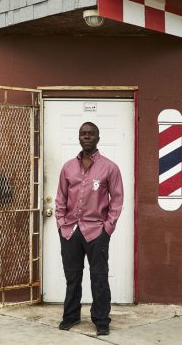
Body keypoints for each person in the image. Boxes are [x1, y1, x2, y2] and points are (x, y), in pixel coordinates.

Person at [54, 121, 123, 336]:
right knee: (72, 277)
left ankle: (101, 320)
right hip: (70, 231)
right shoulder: (68, 167)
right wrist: (60, 223)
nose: (87, 137)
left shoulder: (109, 167)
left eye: (91, 134)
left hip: (96, 231)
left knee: (99, 277)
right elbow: (60, 199)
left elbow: (117, 200)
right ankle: (71, 316)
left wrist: (108, 228)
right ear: (79, 138)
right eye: (83, 134)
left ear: (98, 138)